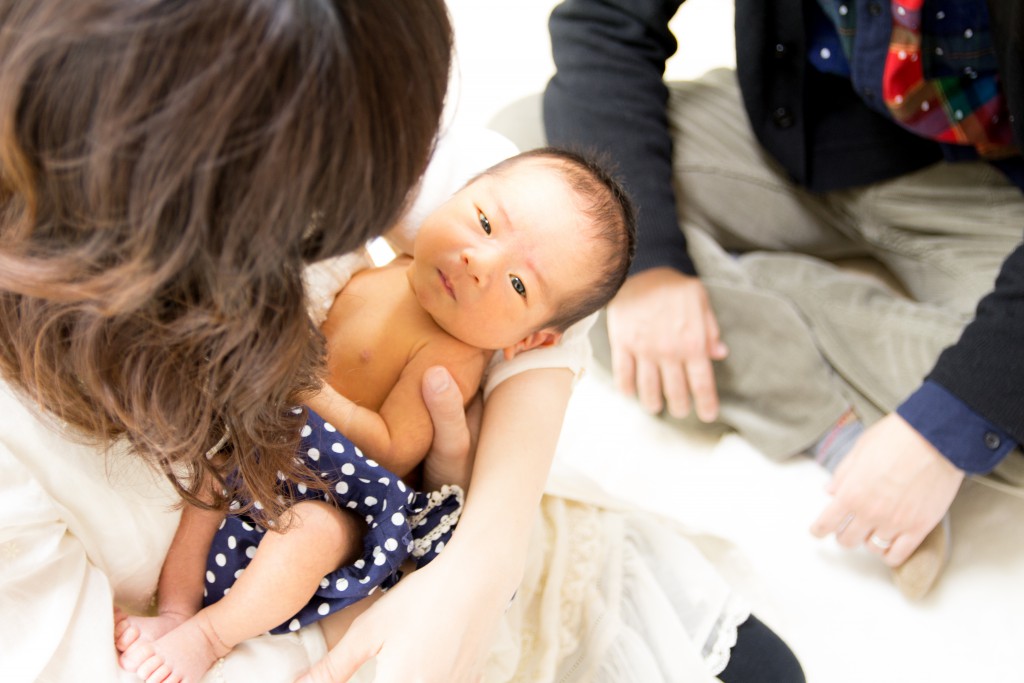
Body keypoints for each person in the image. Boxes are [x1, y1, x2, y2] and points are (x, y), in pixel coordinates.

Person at [0, 0, 804, 680]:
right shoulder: (26, 459)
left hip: (440, 540)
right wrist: (375, 622)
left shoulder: (318, 75)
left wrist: (480, 556)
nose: (467, 256)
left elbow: (543, 224)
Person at [544, 0, 1024, 599]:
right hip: (800, 130)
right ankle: (832, 425)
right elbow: (602, 19)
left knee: (993, 411)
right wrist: (648, 270)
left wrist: (938, 431)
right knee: (539, 190)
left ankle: (770, 294)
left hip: (991, 191)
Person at [110, 147, 637, 682]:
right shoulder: (389, 263)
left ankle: (209, 635)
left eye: (519, 284)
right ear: (454, 193)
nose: (480, 263)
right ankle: (175, 611)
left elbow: (393, 447)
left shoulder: (452, 356)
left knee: (309, 534)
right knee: (207, 479)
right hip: (266, 445)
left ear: (530, 340)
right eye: (483, 222)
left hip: (336, 496)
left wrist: (319, 394)